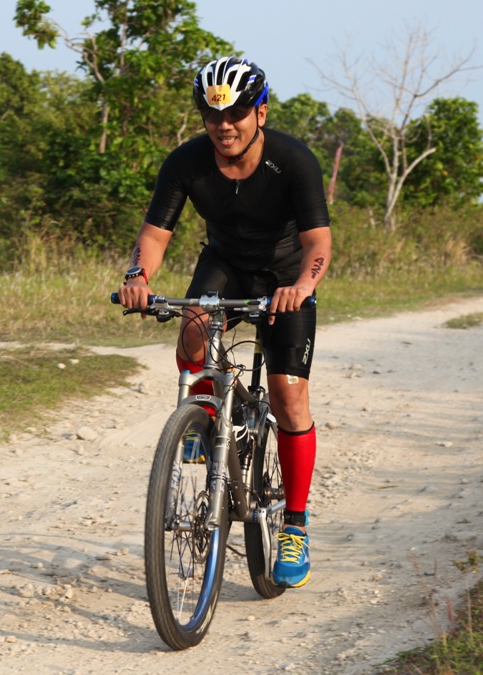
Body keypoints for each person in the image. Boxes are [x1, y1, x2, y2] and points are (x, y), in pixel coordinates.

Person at [118, 55, 332, 588]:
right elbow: (156, 235)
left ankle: (296, 526)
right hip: (226, 266)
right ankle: (205, 416)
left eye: (236, 113)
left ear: (260, 112)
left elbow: (317, 243)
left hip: (284, 279)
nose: (224, 126)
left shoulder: (293, 160)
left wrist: (303, 286)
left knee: (288, 396)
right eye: (213, 116)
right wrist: (139, 275)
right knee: (192, 325)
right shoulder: (186, 162)